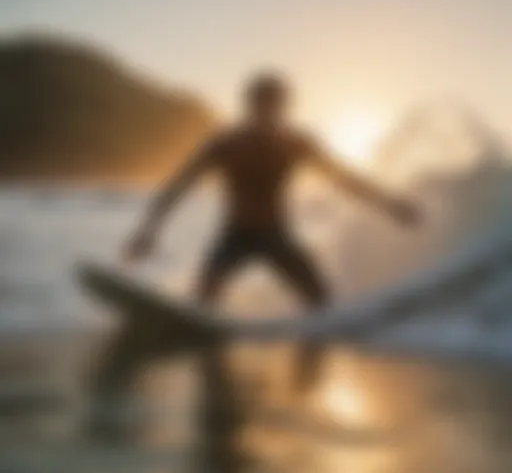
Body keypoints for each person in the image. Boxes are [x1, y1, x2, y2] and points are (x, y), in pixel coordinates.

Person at [122, 72, 420, 393]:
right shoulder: (225, 145)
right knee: (202, 307)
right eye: (261, 107)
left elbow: (344, 179)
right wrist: (147, 229)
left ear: (284, 109)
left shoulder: (296, 144)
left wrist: (390, 205)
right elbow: (179, 185)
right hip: (234, 237)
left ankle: (307, 385)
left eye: (275, 108)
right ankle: (212, 380)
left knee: (322, 305)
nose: (268, 115)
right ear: (249, 108)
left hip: (277, 238)